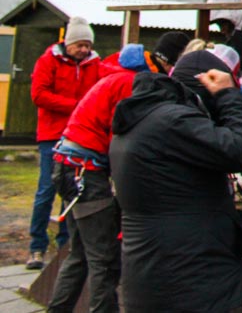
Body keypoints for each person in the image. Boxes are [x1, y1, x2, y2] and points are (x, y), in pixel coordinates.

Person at [110, 49, 242, 313]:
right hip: (191, 279)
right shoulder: (175, 121)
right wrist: (228, 96)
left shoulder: (142, 117)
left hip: (154, 270)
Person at [48, 43, 162, 313]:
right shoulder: (128, 83)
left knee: (80, 255)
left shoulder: (112, 77)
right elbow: (119, 136)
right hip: (85, 172)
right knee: (105, 259)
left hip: (69, 167)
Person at [28, 15, 101, 270]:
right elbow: (39, 94)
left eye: (88, 45)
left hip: (80, 136)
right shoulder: (48, 60)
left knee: (71, 191)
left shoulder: (95, 64)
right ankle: (36, 247)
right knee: (47, 188)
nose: (84, 50)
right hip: (52, 134)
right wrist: (76, 106)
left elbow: (99, 92)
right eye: (80, 44)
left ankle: (64, 245)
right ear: (68, 43)